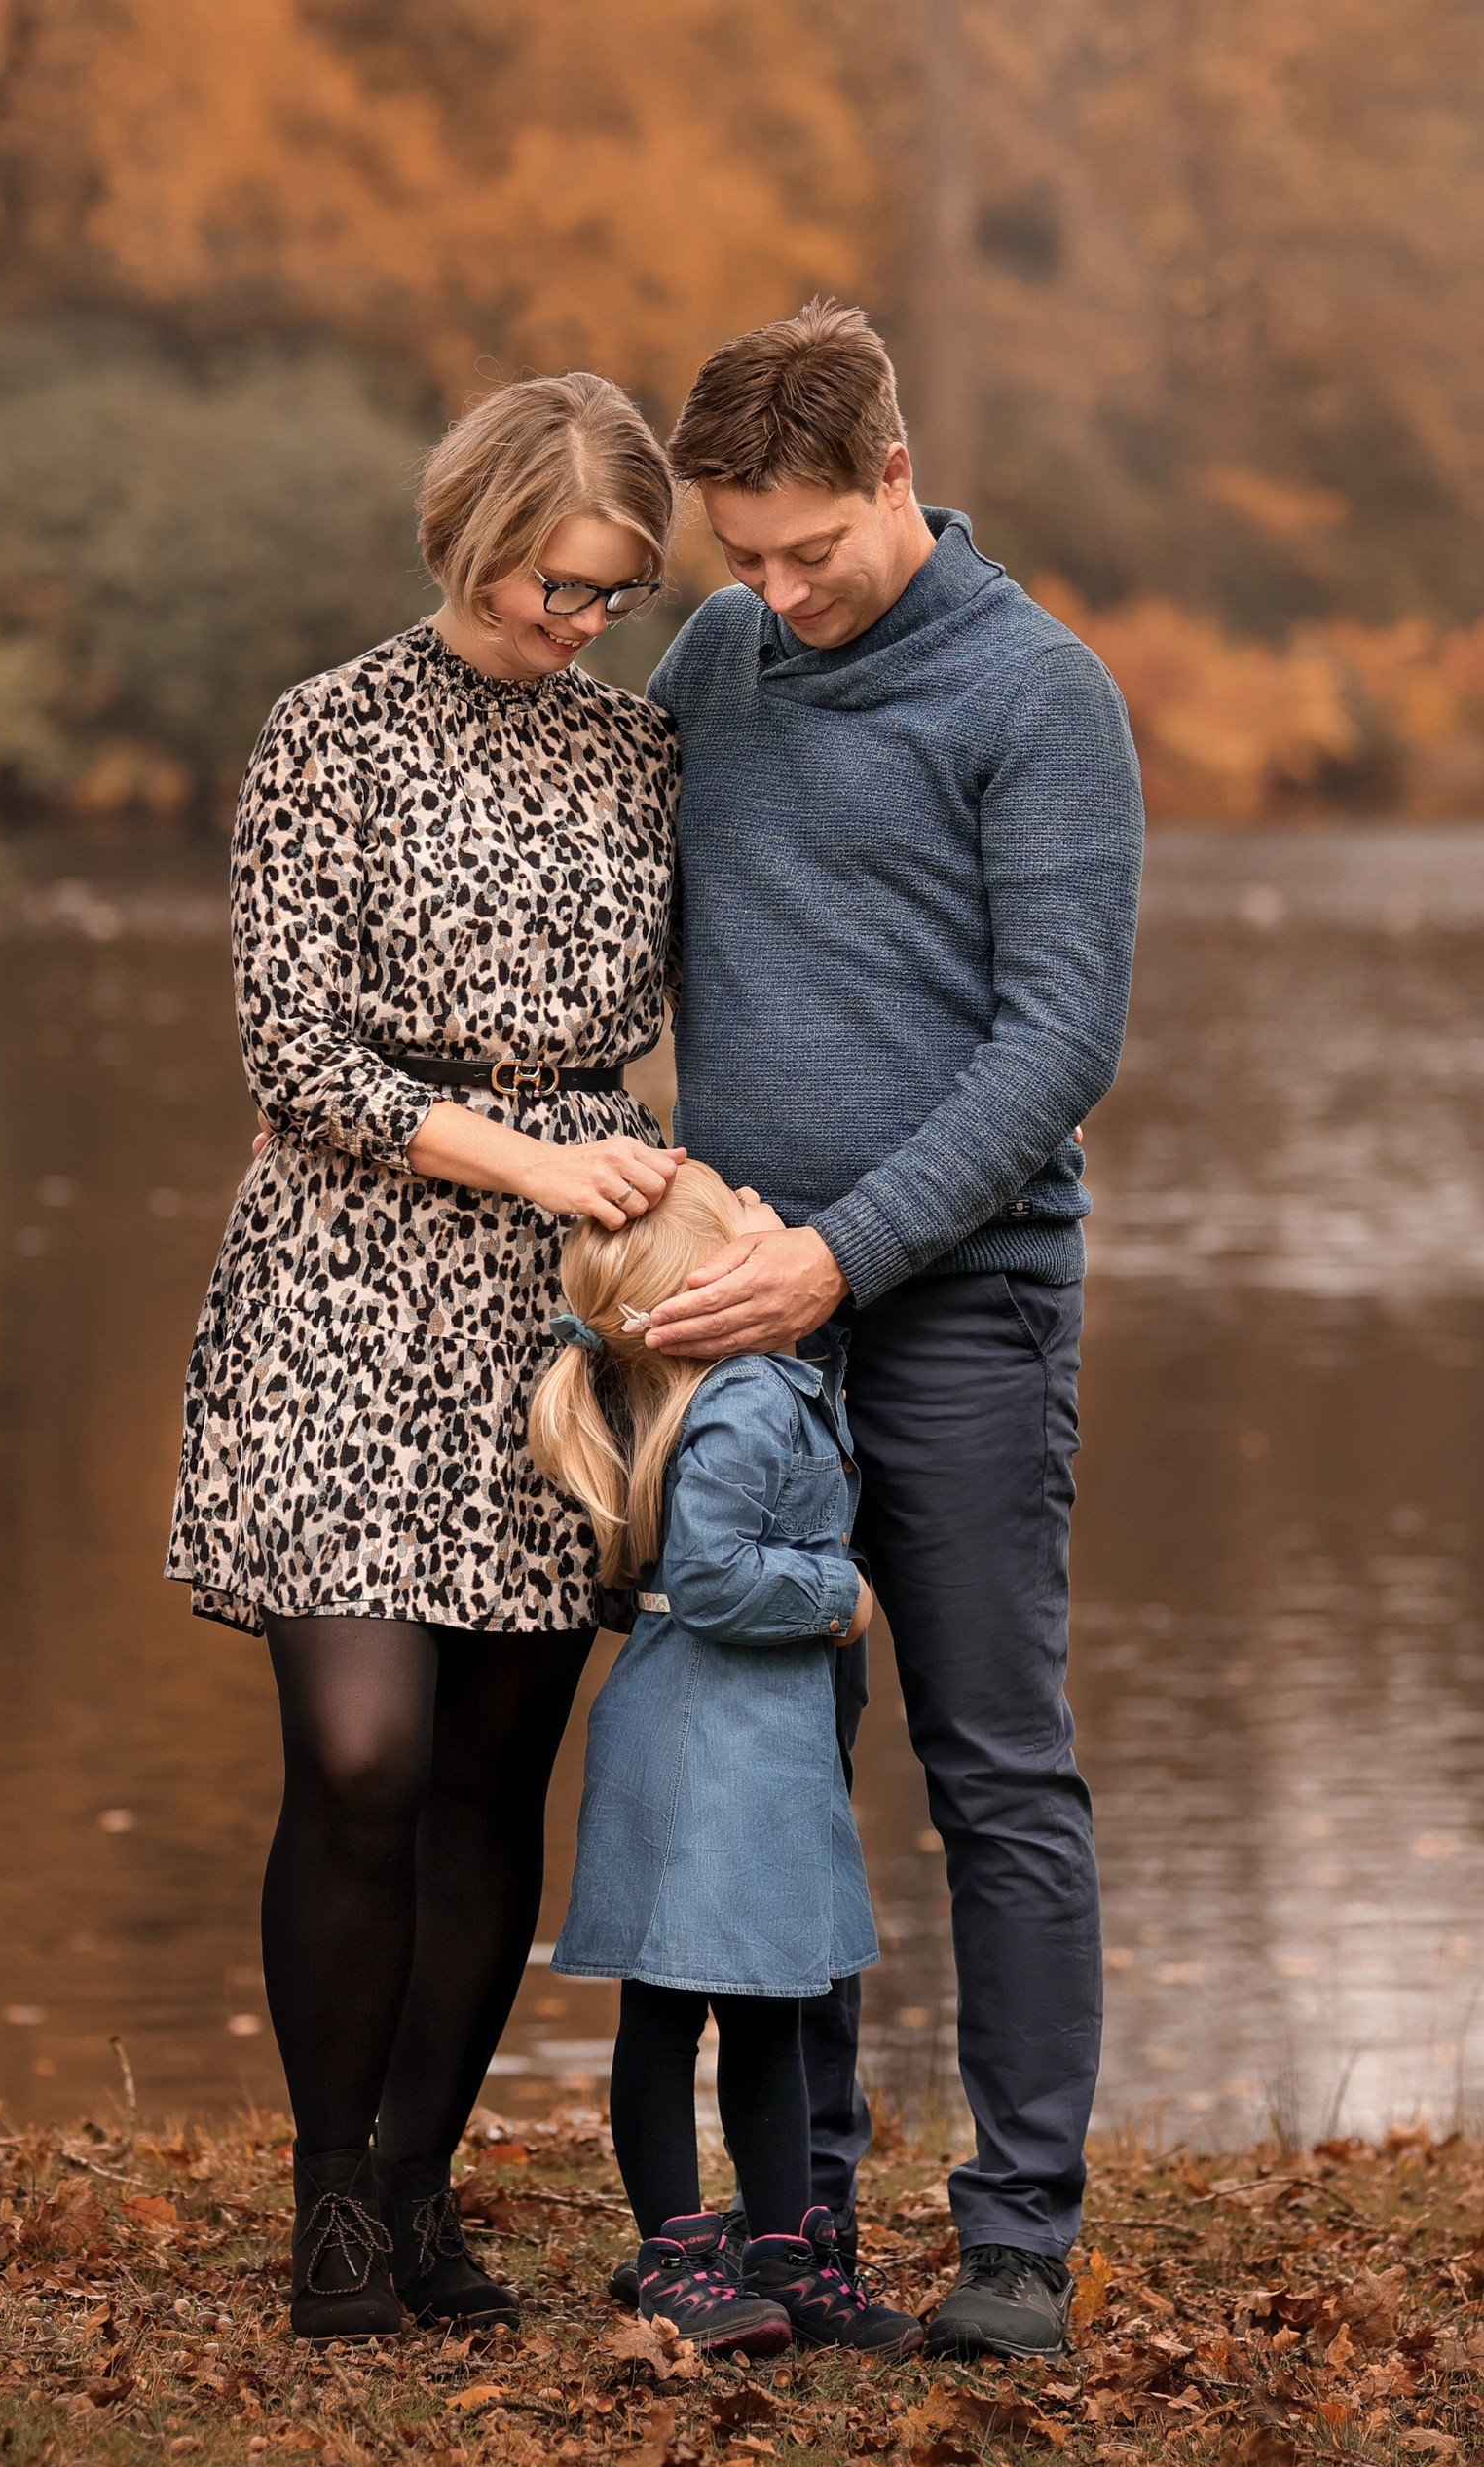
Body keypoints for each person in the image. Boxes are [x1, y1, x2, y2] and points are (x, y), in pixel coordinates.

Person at [639, 299, 1143, 2363]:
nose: (774, 592)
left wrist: (841, 1257)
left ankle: (1015, 2234)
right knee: (771, 1762)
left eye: (807, 548)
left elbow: (1058, 1045)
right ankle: (802, 2214)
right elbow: (601, 910)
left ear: (894, 472)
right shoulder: (713, 661)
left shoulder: (1039, 692)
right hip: (744, 1326)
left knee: (992, 1760)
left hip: (959, 1304)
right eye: (739, 553)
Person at [167, 372, 685, 2341]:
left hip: (559, 1312)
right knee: (363, 1748)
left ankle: (411, 2192)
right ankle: (325, 2197)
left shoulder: (640, 748)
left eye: (619, 593)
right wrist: (528, 1153)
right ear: (472, 539)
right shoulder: (328, 728)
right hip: (347, 1275)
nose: (584, 622)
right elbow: (291, 1048)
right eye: (562, 583)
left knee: (487, 1773)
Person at [530, 1162, 925, 2362]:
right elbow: (710, 1575)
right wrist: (842, 1595)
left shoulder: (732, 1381)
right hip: (711, 1733)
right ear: (713, 1281)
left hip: (738, 1731)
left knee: (757, 2002)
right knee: (688, 2004)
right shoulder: (747, 1394)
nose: (762, 1196)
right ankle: (679, 2255)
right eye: (738, 1203)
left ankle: (780, 2254)